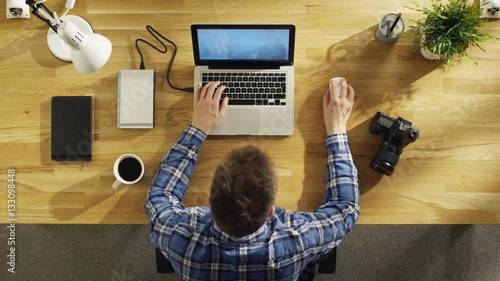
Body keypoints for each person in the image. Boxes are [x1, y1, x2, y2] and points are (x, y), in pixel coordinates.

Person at [145, 79, 359, 281]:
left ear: (210, 198)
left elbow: (160, 196)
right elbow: (345, 208)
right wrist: (336, 129)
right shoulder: (297, 241)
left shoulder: (179, 240)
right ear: (272, 211)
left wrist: (197, 128)